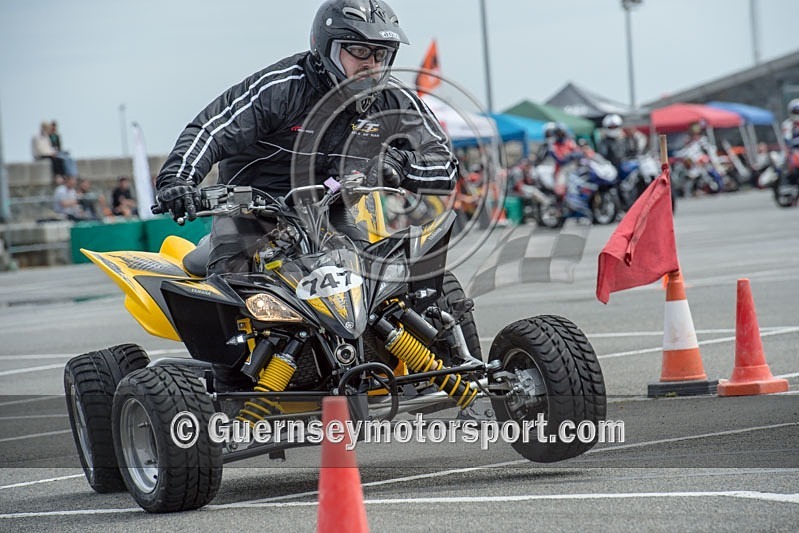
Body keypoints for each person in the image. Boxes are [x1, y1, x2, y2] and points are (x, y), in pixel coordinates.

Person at [154, 0, 457, 275]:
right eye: (359, 51)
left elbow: (445, 165)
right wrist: (178, 180)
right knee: (231, 285)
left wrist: (401, 164)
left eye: (381, 54)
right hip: (250, 212)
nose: (371, 64)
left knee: (380, 284)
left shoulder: (394, 98)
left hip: (332, 211)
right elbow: (211, 129)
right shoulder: (281, 88)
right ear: (326, 48)